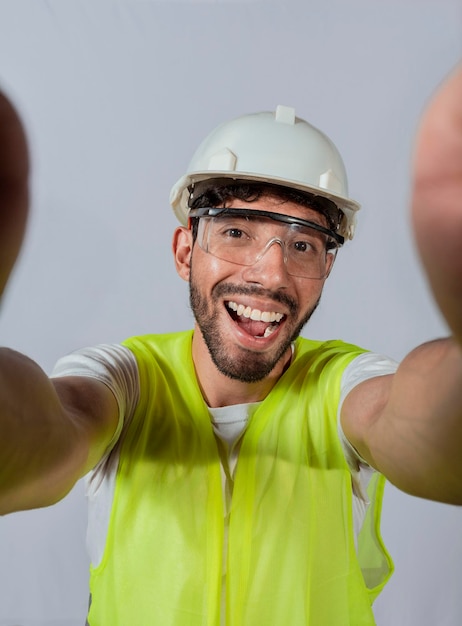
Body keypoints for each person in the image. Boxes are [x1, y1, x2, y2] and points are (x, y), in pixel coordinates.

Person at [0, 62, 461, 626]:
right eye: (237, 231)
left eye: (303, 246)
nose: (270, 277)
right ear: (185, 252)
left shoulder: (344, 387)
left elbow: (418, 424)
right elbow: (46, 431)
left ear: (328, 266)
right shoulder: (125, 381)